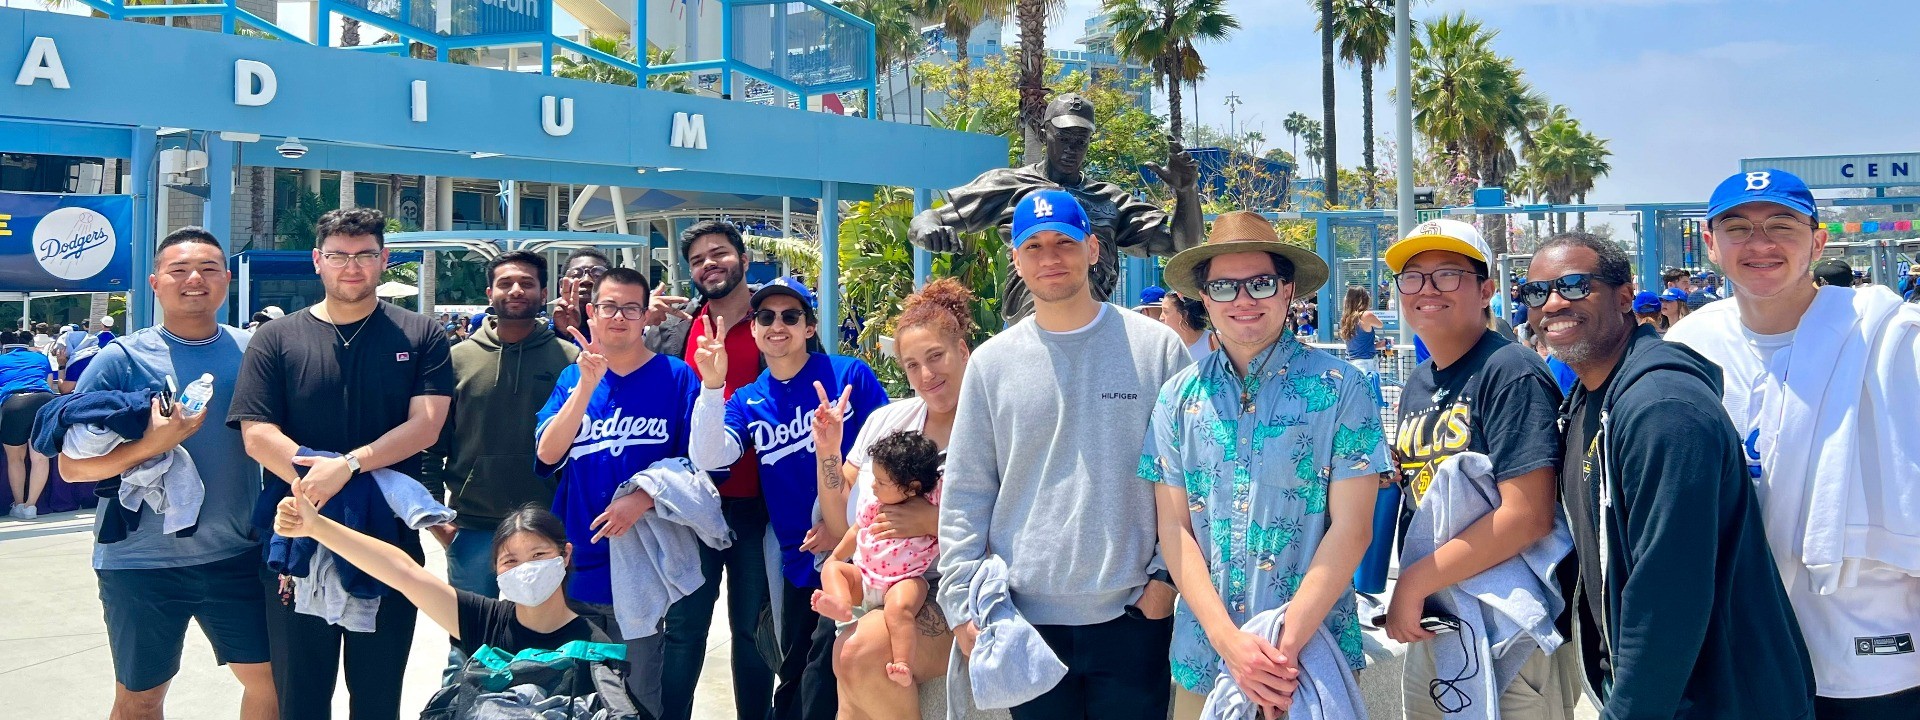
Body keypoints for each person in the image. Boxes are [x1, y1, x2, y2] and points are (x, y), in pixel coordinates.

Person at [1522, 231, 1815, 717]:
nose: (1552, 303)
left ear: (1624, 297)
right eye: (1535, 292)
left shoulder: (1662, 408)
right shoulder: (1589, 403)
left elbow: (1667, 592)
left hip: (1718, 699)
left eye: (1574, 286)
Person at [1667, 169, 1920, 715]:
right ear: (1711, 245)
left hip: (1872, 642)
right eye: (1738, 228)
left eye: (1782, 224)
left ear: (1818, 239)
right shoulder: (1689, 344)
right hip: (1742, 640)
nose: (1760, 244)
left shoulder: (1892, 337)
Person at [937, 189, 1189, 719]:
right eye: (1034, 246)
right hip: (1023, 620)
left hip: (1132, 615)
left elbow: (1189, 475)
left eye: (1064, 243)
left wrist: (1165, 583)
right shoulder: (992, 363)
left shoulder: (1157, 348)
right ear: (1016, 260)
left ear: (1093, 250)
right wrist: (961, 604)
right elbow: (967, 492)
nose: (1050, 258)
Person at [1144, 211, 1388, 718]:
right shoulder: (1175, 398)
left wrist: (1278, 648)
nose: (1243, 300)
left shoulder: (1342, 389)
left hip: (1307, 660)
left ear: (1287, 289)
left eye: (1260, 283)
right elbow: (1174, 527)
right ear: (1205, 298)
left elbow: (1353, 528)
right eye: (1224, 287)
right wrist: (1232, 645)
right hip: (1206, 659)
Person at [228, 207, 453, 720]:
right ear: (317, 261)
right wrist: (317, 480)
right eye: (338, 256)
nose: (351, 267)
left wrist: (347, 467)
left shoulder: (421, 334)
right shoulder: (276, 338)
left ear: (384, 260)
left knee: (377, 697)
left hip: (387, 538)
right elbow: (258, 435)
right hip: (295, 534)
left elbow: (426, 425)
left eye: (364, 255)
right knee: (300, 697)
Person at [54, 227, 276, 720]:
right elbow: (71, 466)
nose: (194, 279)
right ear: (155, 282)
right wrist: (155, 444)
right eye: (179, 270)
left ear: (226, 281)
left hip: (237, 555)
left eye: (209, 269)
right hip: (139, 562)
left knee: (271, 683)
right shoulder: (120, 359)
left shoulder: (256, 351)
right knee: (141, 698)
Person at [1382, 218, 1577, 718]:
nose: (1427, 289)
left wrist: (1412, 582)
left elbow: (1528, 515)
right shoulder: (1418, 383)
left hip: (1506, 625)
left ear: (1486, 288)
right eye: (1412, 277)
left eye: (1448, 274)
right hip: (1439, 615)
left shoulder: (1510, 370)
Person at [688, 275, 890, 720]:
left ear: (809, 327)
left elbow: (889, 453)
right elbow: (708, 457)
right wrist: (711, 386)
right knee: (801, 680)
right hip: (801, 563)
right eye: (766, 316)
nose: (777, 325)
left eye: (790, 316)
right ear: (755, 329)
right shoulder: (747, 399)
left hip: (867, 553)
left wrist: (843, 522)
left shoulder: (849, 375)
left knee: (860, 676)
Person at [534, 267, 699, 718]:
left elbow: (697, 467)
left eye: (631, 308)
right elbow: (548, 454)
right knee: (574, 692)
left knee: (637, 694)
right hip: (577, 556)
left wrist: (643, 496)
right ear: (591, 313)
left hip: (646, 561)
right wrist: (587, 384)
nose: (619, 318)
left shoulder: (677, 376)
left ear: (646, 315)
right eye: (609, 307)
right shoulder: (573, 378)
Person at [908, 92, 1204, 325]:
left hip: (1093, 326)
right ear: (1042, 131)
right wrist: (928, 229)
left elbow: (1182, 246)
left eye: (1081, 141)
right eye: (1063, 139)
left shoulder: (1109, 199)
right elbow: (929, 218)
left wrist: (1186, 191)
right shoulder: (1009, 184)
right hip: (1031, 327)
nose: (1071, 149)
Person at [819, 278, 973, 720]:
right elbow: (839, 521)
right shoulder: (888, 421)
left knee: (858, 652)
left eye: (936, 357)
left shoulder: (994, 428)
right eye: (911, 365)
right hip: (875, 582)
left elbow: (1018, 528)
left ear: (963, 351)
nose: (926, 375)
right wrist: (828, 451)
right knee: (850, 655)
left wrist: (931, 521)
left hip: (950, 586)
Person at [644, 220, 777, 720]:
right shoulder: (676, 332)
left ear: (744, 261)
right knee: (682, 631)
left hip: (758, 507)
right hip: (693, 506)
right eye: (697, 260)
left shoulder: (777, 319)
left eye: (719, 254)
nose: (708, 265)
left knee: (752, 631)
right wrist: (640, 325)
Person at [273, 500, 612, 657]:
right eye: (511, 560)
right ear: (495, 569)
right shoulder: (482, 621)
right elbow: (402, 572)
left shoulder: (596, 644)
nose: (526, 568)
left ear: (564, 555)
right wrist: (316, 527)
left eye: (539, 555)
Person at [427, 251, 578, 598]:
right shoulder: (457, 359)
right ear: (489, 292)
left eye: (527, 283)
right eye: (505, 283)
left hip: (548, 528)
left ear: (543, 294)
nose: (515, 290)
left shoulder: (569, 359)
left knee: (543, 643)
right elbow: (431, 446)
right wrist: (439, 523)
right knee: (469, 641)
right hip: (472, 528)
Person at [811, 430, 942, 697]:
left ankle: (903, 661)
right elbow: (855, 531)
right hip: (866, 577)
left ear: (912, 487)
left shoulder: (931, 501)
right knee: (832, 569)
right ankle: (842, 604)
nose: (873, 486)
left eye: (881, 482)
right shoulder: (876, 504)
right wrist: (836, 558)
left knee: (900, 609)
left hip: (906, 579)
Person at [2, 328, 56, 519]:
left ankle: (18, 504)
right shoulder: (41, 358)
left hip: (13, 403)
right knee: (40, 456)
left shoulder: (1, 360)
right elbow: (50, 383)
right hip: (44, 400)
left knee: (15, 458)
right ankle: (31, 506)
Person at [549, 247, 614, 342]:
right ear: (562, 286)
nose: (586, 280)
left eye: (597, 275)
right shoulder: (540, 334)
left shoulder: (627, 330)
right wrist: (562, 334)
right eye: (576, 274)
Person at [1338, 285, 1387, 402]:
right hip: (1367, 366)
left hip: (1352, 364)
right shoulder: (1366, 315)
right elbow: (1380, 324)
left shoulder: (1346, 319)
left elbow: (1357, 346)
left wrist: (1376, 346)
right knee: (1371, 404)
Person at [1160, 291, 1215, 363]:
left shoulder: (1213, 342)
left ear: (1184, 315)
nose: (1161, 317)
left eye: (1166, 312)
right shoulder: (1165, 347)